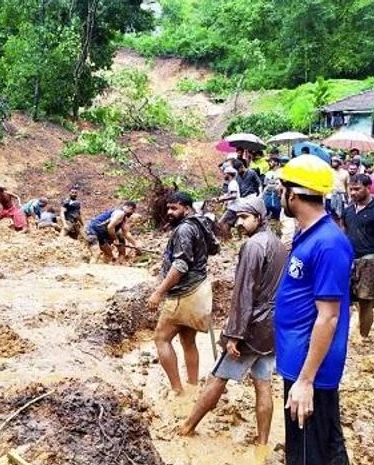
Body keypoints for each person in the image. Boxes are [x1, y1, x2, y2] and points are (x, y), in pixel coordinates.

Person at [178, 196, 286, 460]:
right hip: (273, 327)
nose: (239, 223)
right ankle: (262, 443)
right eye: (237, 217)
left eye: (244, 217)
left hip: (251, 327)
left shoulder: (252, 246)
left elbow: (244, 294)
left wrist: (234, 334)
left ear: (259, 217)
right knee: (263, 384)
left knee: (218, 376)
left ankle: (187, 427)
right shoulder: (280, 245)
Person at [274, 155, 353, 465]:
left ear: (292, 195)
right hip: (300, 361)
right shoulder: (308, 234)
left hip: (311, 370)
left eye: (282, 189)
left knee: (307, 455)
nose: (280, 195)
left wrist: (305, 380)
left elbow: (329, 315)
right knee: (324, 446)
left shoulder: (329, 243)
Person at [147, 192, 212, 396]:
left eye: (174, 208)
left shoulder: (184, 229)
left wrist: (158, 292)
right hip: (199, 289)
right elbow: (214, 248)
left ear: (186, 208)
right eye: (168, 208)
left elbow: (181, 265)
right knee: (188, 340)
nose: (169, 212)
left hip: (182, 293)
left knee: (161, 338)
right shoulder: (200, 223)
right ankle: (192, 386)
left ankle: (178, 390)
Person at [342, 174, 374, 338]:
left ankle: (363, 337)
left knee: (365, 301)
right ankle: (347, 334)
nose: (353, 193)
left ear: (368, 188)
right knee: (345, 299)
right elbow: (344, 235)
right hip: (350, 259)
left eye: (357, 189)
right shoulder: (348, 211)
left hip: (370, 259)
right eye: (351, 189)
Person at [217, 166, 242, 239]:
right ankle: (229, 241)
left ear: (229, 174)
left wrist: (222, 199)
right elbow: (229, 194)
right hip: (233, 207)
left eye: (225, 174)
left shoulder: (233, 183)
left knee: (220, 222)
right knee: (227, 225)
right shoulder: (231, 183)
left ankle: (227, 241)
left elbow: (234, 195)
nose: (224, 175)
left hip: (233, 208)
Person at [263, 156, 283, 232]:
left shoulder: (281, 172)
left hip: (278, 197)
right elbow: (265, 185)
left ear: (277, 163)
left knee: (278, 215)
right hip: (268, 196)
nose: (270, 163)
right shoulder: (268, 173)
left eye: (271, 161)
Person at [326, 157, 349, 222]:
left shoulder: (345, 173)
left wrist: (349, 197)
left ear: (338, 163)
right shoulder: (329, 172)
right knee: (329, 215)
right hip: (330, 196)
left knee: (340, 216)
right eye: (332, 161)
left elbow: (347, 185)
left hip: (341, 196)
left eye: (334, 161)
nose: (332, 163)